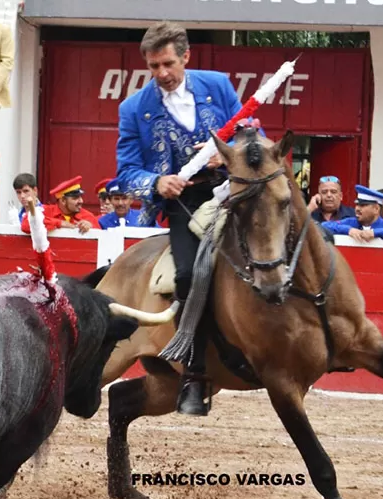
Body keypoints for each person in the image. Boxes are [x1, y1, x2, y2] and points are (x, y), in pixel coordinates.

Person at [115, 20, 240, 416]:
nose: (162, 74)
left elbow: (254, 134)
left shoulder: (217, 85)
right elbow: (126, 171)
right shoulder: (135, 108)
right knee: (187, 275)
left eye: (168, 64)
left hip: (231, 193)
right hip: (184, 205)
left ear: (186, 57)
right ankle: (195, 373)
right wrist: (156, 182)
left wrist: (227, 153)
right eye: (153, 67)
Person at [319, 186, 383, 241]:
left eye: (363, 205)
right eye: (357, 205)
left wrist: (375, 233)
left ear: (376, 209)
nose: (357, 209)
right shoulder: (351, 223)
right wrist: (348, 230)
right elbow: (323, 226)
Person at [19, 176, 98, 234]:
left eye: (80, 197)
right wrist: (60, 223)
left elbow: (103, 237)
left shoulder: (87, 216)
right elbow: (26, 224)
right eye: (75, 198)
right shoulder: (46, 210)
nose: (81, 201)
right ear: (63, 200)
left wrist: (90, 226)